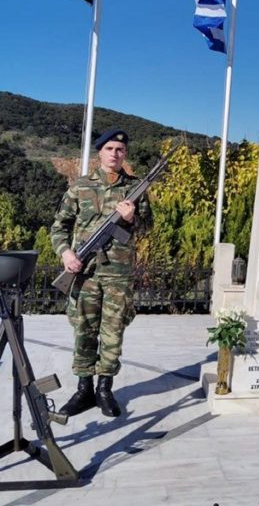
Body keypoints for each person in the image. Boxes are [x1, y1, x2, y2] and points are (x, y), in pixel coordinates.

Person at [51, 129, 152, 417]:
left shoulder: (135, 188)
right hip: (85, 272)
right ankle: (84, 390)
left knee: (112, 332)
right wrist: (66, 253)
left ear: (125, 154)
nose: (115, 154)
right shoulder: (80, 186)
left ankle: (104, 389)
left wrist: (131, 218)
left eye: (120, 149)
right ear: (100, 152)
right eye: (109, 148)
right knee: (84, 329)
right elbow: (59, 227)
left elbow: (147, 228)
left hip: (118, 274)